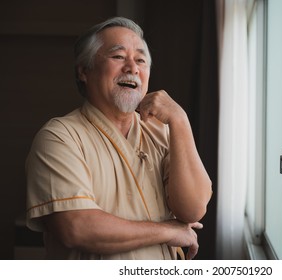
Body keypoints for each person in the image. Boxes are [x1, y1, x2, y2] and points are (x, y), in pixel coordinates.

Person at [25, 17, 212, 260]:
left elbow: (193, 209)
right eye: (118, 56)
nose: (132, 68)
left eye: (141, 60)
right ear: (84, 70)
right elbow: (77, 227)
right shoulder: (59, 137)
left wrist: (180, 120)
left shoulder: (161, 131)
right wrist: (167, 231)